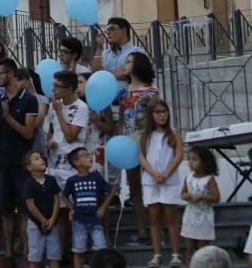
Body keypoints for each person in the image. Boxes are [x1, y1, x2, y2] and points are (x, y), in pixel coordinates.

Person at [0, 58, 38, 268]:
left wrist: (6, 117)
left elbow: (28, 133)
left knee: (24, 211)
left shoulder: (29, 99)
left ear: (11, 74)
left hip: (23, 162)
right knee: (5, 211)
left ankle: (25, 253)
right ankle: (8, 254)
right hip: (2, 162)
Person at [47, 70, 89, 257]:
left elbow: (71, 136)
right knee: (60, 213)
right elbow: (50, 130)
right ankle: (61, 254)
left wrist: (59, 112)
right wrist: (49, 141)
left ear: (69, 89)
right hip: (54, 164)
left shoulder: (80, 108)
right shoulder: (53, 106)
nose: (53, 89)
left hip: (73, 165)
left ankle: (78, 255)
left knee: (75, 213)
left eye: (57, 86)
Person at [140, 99, 183, 267]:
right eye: (158, 112)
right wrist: (153, 173)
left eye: (164, 111)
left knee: (171, 218)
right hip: (151, 181)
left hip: (169, 180)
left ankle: (175, 254)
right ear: (151, 115)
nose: (162, 115)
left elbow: (179, 155)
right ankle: (157, 254)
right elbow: (142, 157)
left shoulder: (174, 133)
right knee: (155, 219)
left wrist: (166, 173)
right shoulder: (146, 135)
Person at [120, 51, 157, 247]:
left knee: (151, 186)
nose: (125, 64)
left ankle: (156, 229)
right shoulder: (124, 92)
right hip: (128, 145)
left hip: (147, 143)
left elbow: (157, 117)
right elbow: (121, 116)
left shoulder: (150, 91)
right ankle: (142, 232)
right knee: (135, 189)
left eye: (129, 61)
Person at [63, 147, 116, 268]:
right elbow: (64, 195)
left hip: (95, 220)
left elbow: (112, 191)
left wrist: (103, 207)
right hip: (79, 220)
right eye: (85, 155)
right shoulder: (72, 180)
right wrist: (71, 208)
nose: (89, 157)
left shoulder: (96, 177)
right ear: (76, 162)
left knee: (101, 249)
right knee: (78, 249)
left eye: (89, 154)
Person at [180, 146, 220, 264]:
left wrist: (202, 197)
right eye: (189, 159)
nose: (190, 162)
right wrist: (186, 196)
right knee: (190, 249)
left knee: (203, 251)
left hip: (204, 219)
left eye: (194, 159)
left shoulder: (209, 179)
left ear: (204, 162)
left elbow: (216, 198)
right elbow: (183, 193)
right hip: (190, 217)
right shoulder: (188, 178)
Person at [24, 150, 62, 268]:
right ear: (29, 167)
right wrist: (43, 221)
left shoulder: (51, 180)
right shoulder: (29, 183)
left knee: (54, 254)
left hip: (53, 222)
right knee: (34, 255)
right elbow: (30, 205)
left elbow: (56, 199)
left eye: (41, 157)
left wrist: (52, 219)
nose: (41, 160)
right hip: (35, 223)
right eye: (36, 159)